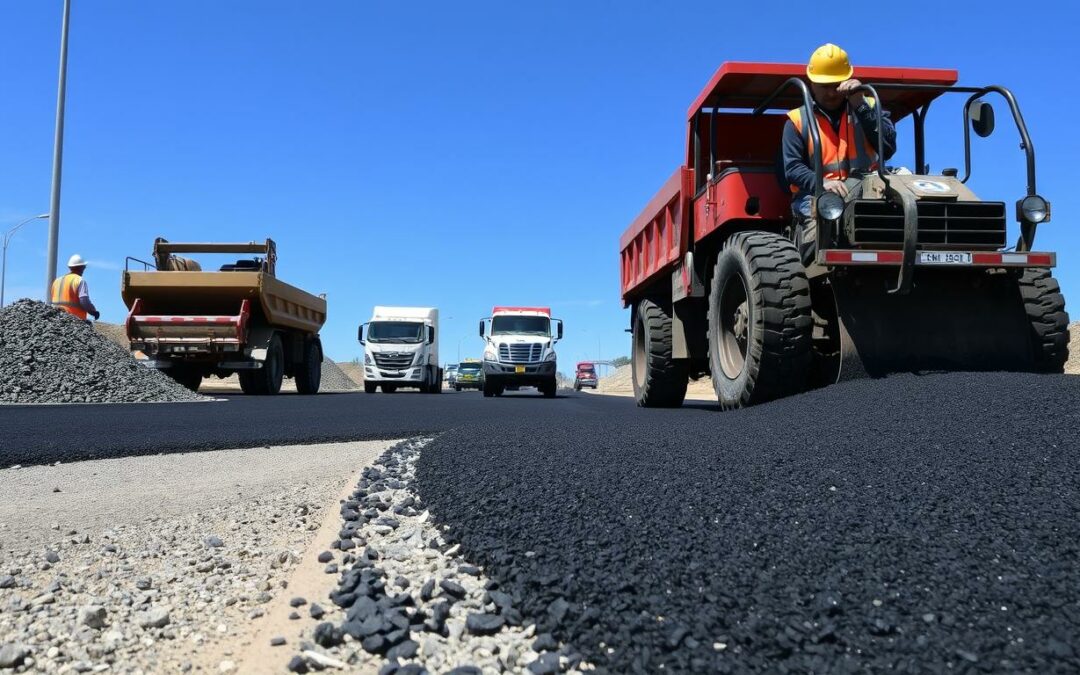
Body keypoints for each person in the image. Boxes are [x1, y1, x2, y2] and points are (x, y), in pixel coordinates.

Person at [782, 43, 897, 264]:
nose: (830, 92)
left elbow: (888, 148)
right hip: (816, 195)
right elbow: (792, 169)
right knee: (823, 226)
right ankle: (814, 269)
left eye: (836, 84)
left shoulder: (869, 104)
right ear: (811, 84)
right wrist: (821, 182)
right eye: (824, 85)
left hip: (868, 189)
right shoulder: (796, 121)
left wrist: (860, 106)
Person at [50, 254, 100, 321]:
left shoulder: (57, 281)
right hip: (74, 320)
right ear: (82, 268)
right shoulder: (79, 280)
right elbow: (84, 301)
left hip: (55, 318)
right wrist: (93, 312)